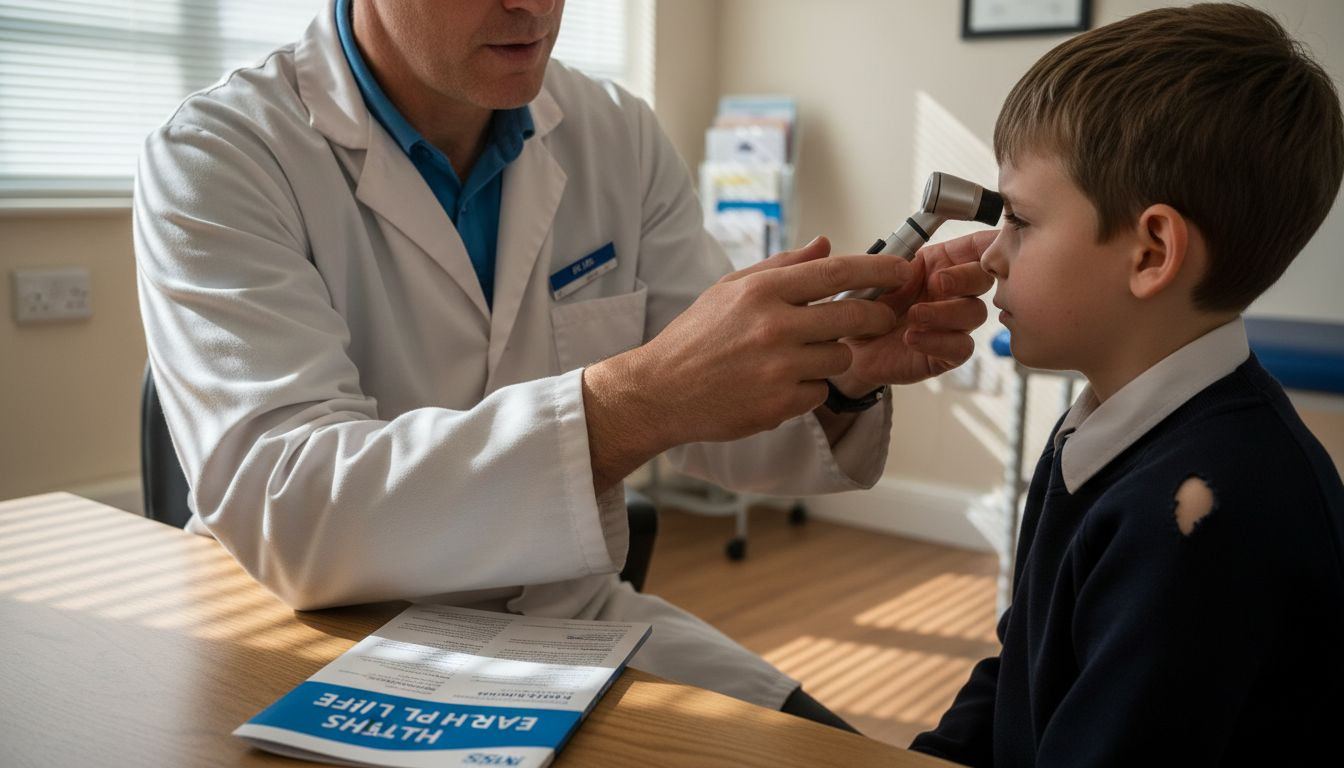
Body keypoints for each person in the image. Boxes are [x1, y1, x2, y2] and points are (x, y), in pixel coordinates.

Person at [133, 0, 994, 729]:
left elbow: (717, 427)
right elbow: (294, 508)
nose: (534, 3)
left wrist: (839, 372)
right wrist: (636, 400)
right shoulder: (221, 155)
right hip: (328, 637)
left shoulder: (615, 134)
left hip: (568, 622)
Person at [909, 4, 1344, 765]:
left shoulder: (1205, 515)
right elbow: (1027, 664)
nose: (990, 257)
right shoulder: (1107, 429)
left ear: (1151, 253)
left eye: (1020, 220)